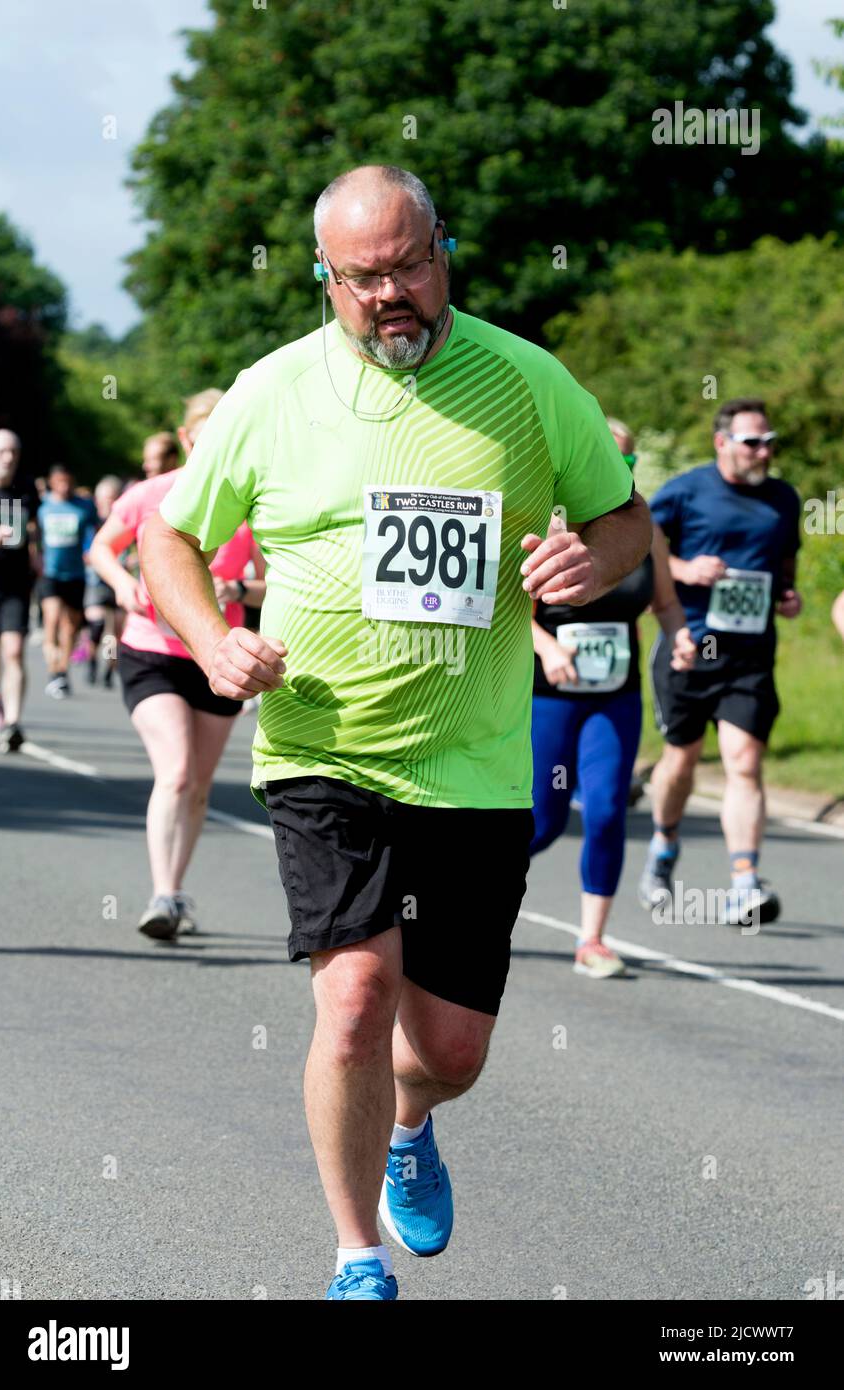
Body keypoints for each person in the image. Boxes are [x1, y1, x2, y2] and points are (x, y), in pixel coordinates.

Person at [140, 165, 651, 1301]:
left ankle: (410, 1122)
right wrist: (217, 640)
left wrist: (591, 557)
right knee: (354, 995)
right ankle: (355, 1256)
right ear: (326, 280)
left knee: (451, 1051)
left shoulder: (527, 381)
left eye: (411, 264)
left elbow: (624, 517)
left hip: (472, 763)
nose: (392, 294)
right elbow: (170, 541)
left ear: (444, 252)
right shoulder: (270, 392)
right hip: (325, 748)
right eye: (364, 278)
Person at [88, 393, 266, 940]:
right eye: (205, 433)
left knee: (200, 785)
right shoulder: (151, 495)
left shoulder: (250, 500)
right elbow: (101, 547)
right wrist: (124, 585)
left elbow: (272, 579)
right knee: (179, 770)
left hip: (217, 653)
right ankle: (163, 894)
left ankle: (175, 887)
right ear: (188, 439)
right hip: (151, 653)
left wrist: (233, 587)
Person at [530, 419, 696, 977]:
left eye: (628, 464)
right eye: (608, 459)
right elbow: (506, 613)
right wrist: (547, 646)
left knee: (604, 810)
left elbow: (666, 603)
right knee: (542, 821)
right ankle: (459, 899)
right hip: (548, 692)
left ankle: (593, 941)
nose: (618, 473)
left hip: (614, 696)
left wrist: (681, 636)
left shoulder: (643, 530)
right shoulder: (542, 523)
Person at [639, 398, 802, 927]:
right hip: (689, 644)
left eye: (769, 441)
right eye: (753, 441)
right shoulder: (688, 490)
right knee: (681, 764)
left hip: (749, 655)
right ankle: (663, 844)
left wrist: (787, 595)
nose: (763, 451)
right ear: (722, 443)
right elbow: (642, 545)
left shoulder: (783, 498)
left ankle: (743, 882)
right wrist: (684, 569)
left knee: (745, 762)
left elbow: (783, 560)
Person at [0, 429, 40, 752]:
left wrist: (36, 553)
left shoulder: (25, 489)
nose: (9, 458)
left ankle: (13, 722)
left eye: (14, 452)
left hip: (14, 585)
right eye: (2, 451)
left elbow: (32, 526)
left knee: (14, 651)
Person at [36, 464, 98, 699]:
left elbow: (98, 529)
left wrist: (92, 550)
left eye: (68, 481)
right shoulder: (43, 506)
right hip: (50, 572)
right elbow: (34, 531)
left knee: (70, 626)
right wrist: (35, 555)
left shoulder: (84, 506)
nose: (64, 486)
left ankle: (62, 671)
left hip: (76, 574)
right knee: (51, 618)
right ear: (52, 482)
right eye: (59, 481)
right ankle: (53, 669)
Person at [83, 475, 124, 687]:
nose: (105, 503)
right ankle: (90, 659)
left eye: (110, 498)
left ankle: (109, 667)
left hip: (118, 580)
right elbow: (83, 549)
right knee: (97, 624)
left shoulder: (124, 521)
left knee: (115, 631)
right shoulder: (90, 521)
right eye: (102, 499)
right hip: (95, 582)